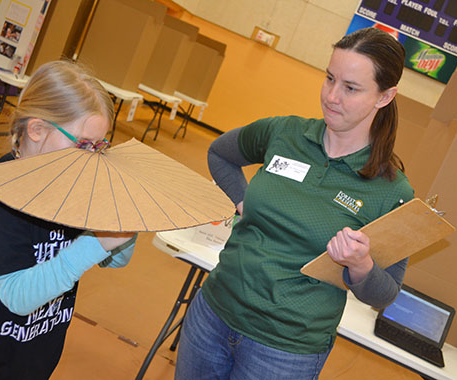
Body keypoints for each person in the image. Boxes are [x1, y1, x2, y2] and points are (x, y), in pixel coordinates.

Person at [175, 27, 414, 380]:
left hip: (284, 352)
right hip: (211, 314)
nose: (332, 96)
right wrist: (243, 202)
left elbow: (384, 294)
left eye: (350, 88)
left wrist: (361, 264)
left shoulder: (392, 191)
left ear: (384, 96)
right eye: (330, 78)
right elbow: (220, 154)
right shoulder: (284, 133)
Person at [0, 60, 136, 379]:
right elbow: (18, 296)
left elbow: (114, 261)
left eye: (99, 146)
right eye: (83, 144)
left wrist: (124, 228)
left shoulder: (70, 187)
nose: (92, 157)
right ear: (38, 129)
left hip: (31, 358)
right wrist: (97, 242)